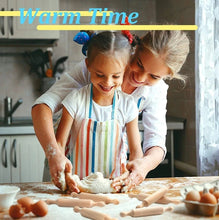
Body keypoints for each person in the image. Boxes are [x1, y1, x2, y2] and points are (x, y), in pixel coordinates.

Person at [32, 30, 190, 191]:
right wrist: (54, 154)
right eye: (139, 64)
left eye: (154, 76)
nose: (141, 78)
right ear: (135, 50)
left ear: (166, 76)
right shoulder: (99, 65)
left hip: (110, 179)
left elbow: (155, 141)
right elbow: (43, 106)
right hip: (68, 171)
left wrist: (142, 166)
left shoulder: (154, 92)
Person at [54, 31, 143, 192]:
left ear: (126, 69)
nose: (108, 82)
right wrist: (64, 173)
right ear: (88, 65)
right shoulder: (75, 100)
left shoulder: (128, 105)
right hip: (78, 189)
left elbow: (136, 151)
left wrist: (131, 174)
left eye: (116, 76)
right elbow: (59, 145)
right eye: (100, 74)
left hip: (115, 188)